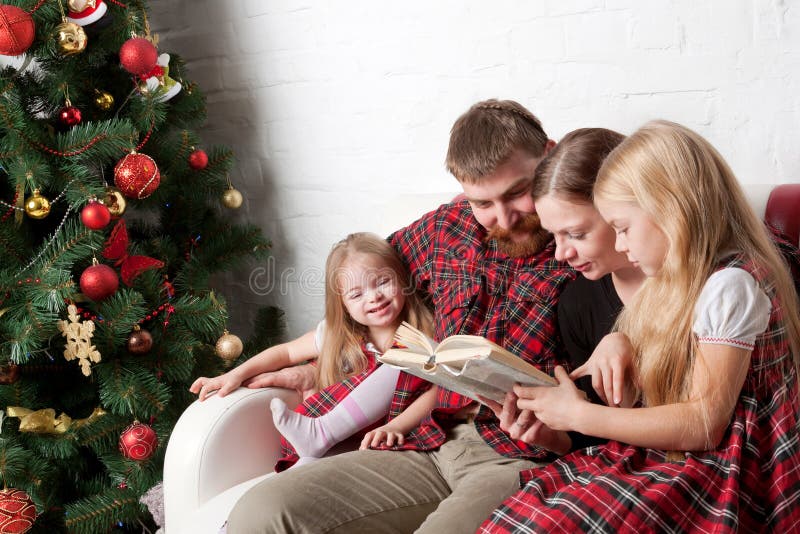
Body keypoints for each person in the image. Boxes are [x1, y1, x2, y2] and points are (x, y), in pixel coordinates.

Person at [226, 99, 575, 533]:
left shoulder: (586, 242)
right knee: (260, 512)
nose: (503, 219)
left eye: (517, 193)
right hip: (424, 437)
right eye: (483, 202)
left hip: (513, 455)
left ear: (550, 154)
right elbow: (361, 286)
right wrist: (320, 366)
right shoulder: (448, 229)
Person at [481, 120, 800, 532]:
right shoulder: (656, 288)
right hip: (680, 455)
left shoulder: (731, 283)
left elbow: (703, 421)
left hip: (725, 468)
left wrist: (578, 414)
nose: (620, 243)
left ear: (670, 209)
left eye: (621, 227)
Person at [191, 232, 437, 465]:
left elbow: (438, 392)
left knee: (411, 352)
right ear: (343, 305)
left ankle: (320, 434)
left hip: (390, 433)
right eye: (356, 294)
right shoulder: (341, 334)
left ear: (402, 280)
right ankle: (314, 442)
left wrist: (398, 426)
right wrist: (235, 374)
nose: (373, 297)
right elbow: (286, 353)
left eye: (382, 282)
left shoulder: (425, 335)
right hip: (343, 440)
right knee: (304, 469)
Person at [485, 128, 644, 454]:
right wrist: (550, 436)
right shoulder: (577, 302)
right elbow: (593, 436)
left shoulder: (700, 283)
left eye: (575, 234)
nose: (561, 254)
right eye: (554, 236)